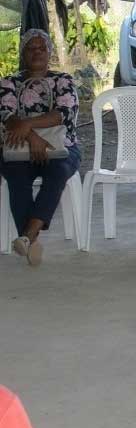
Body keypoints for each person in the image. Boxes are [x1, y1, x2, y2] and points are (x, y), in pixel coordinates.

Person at [0, 29, 80, 267]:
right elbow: (6, 115)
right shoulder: (10, 82)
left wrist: (28, 125)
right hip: (18, 147)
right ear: (24, 54)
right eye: (31, 48)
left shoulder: (63, 80)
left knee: (58, 172)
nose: (36, 52)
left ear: (49, 52)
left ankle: (27, 235)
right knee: (16, 177)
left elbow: (64, 114)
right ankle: (31, 242)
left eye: (41, 48)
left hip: (61, 146)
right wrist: (32, 137)